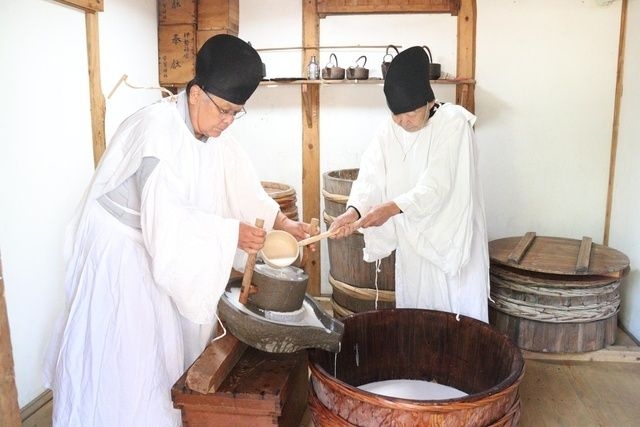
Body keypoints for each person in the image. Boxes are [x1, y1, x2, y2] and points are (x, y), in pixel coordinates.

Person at [44, 34, 313, 426]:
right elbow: (167, 221)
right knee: (127, 363)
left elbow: (239, 183)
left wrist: (284, 222)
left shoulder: (212, 131)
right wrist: (228, 235)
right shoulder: (156, 133)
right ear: (196, 94)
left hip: (154, 248)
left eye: (236, 113)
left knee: (162, 357)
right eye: (224, 111)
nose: (227, 121)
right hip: (122, 259)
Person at [328, 46, 489, 322]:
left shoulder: (454, 124)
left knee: (454, 319)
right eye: (396, 115)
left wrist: (390, 208)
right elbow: (371, 172)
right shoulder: (392, 128)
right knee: (417, 315)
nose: (403, 122)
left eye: (411, 114)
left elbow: (438, 186)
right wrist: (353, 211)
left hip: (448, 243)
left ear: (428, 101)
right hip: (413, 247)